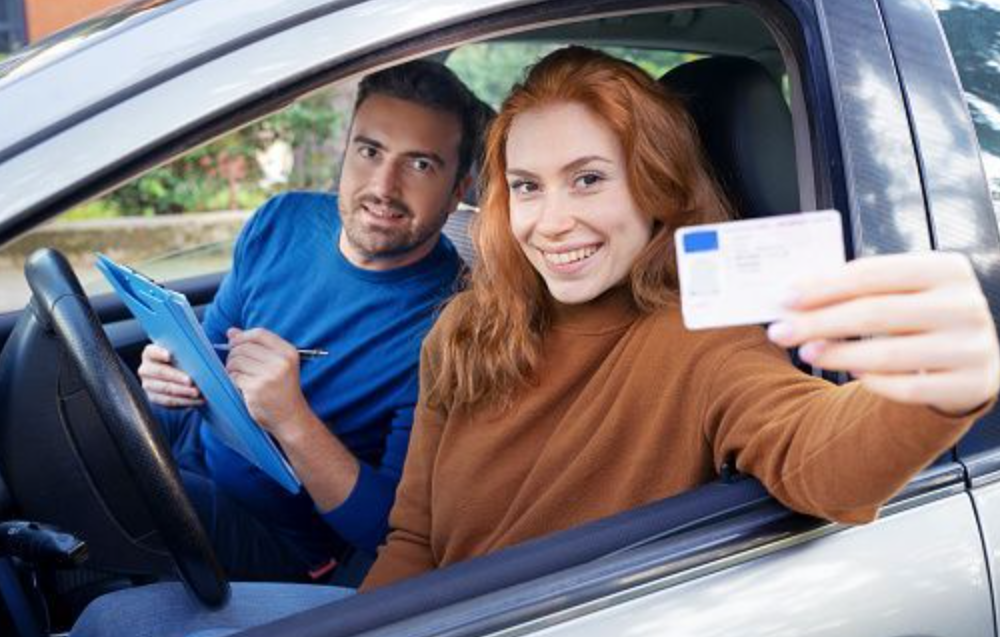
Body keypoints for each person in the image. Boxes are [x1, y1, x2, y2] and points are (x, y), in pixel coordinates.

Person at [71, 46, 1000, 636]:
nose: (553, 222)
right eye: (527, 186)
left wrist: (937, 390)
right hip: (423, 614)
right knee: (115, 615)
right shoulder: (469, 325)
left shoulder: (705, 343)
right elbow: (414, 536)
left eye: (589, 179)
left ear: (657, 188)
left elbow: (822, 459)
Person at [135, 59, 483, 583]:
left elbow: (390, 531)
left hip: (284, 539)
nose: (383, 187)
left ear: (459, 189)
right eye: (370, 152)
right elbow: (210, 355)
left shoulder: (457, 327)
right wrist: (171, 372)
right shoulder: (282, 219)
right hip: (193, 446)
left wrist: (291, 418)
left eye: (419, 165)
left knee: (90, 486)